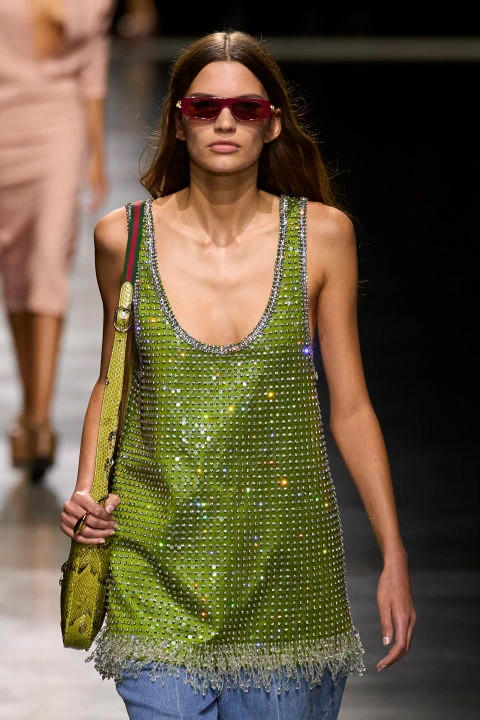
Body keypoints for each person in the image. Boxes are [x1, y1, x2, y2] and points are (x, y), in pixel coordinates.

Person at [60, 30, 416, 720]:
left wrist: (393, 554)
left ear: (272, 123)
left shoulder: (323, 236)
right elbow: (113, 381)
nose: (225, 122)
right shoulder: (122, 237)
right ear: (178, 121)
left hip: (286, 570)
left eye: (246, 108)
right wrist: (85, 490)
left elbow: (350, 406)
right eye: (205, 107)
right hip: (153, 558)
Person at [0, 0, 115, 483]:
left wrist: (96, 153)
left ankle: (40, 419)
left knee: (48, 261)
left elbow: (92, 67)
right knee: (15, 269)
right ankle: (29, 406)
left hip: (58, 127)